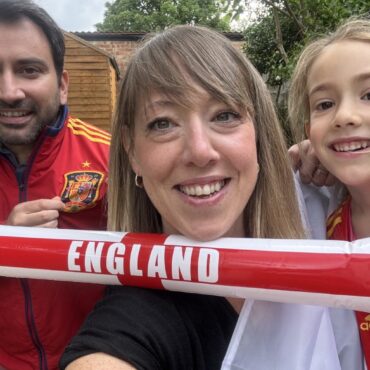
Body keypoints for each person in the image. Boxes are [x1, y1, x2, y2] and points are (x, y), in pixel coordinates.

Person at [60, 24, 307, 370]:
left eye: (224, 115)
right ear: (132, 151)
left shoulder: (324, 217)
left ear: (259, 134)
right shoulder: (134, 321)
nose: (200, 151)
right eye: (163, 123)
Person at [0, 0, 109, 368]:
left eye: (28, 70)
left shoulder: (116, 162)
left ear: (62, 85)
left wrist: (295, 170)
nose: (10, 92)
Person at [288, 17, 370, 369]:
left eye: (369, 95)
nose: (345, 116)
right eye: (324, 104)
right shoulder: (322, 220)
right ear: (309, 132)